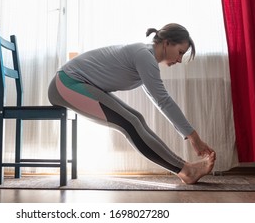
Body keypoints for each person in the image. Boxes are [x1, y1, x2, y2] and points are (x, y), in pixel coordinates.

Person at [48, 23, 216, 184]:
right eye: (180, 52)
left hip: (77, 84)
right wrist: (194, 137)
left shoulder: (145, 56)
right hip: (65, 84)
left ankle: (184, 168)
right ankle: (186, 171)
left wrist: (191, 135)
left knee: (137, 118)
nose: (179, 59)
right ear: (167, 43)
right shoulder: (143, 55)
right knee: (130, 123)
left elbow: (160, 101)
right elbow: (164, 101)